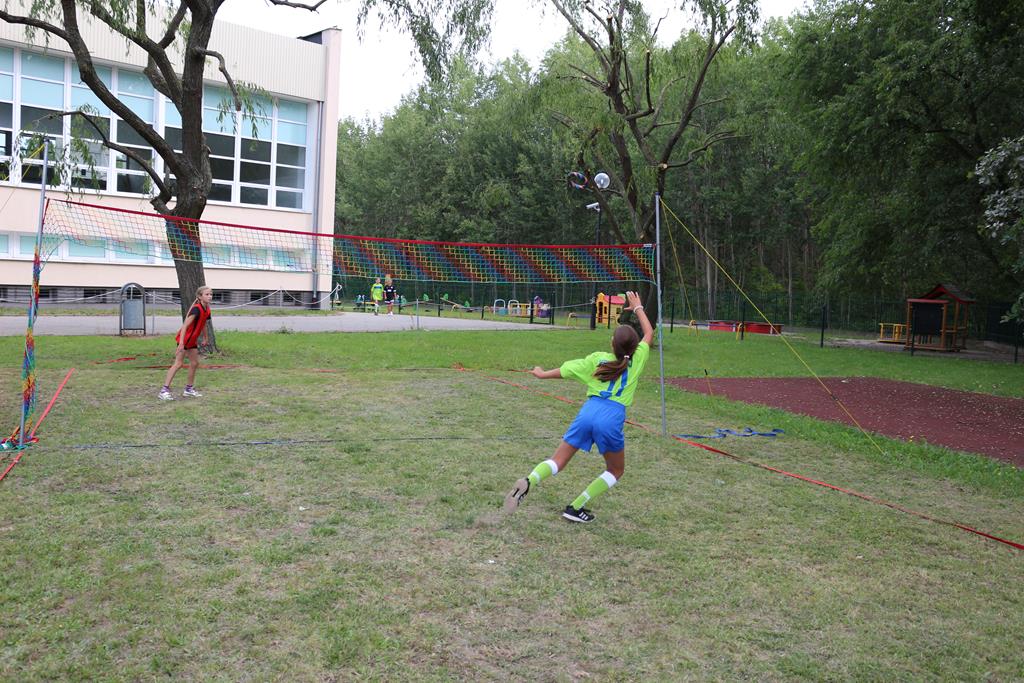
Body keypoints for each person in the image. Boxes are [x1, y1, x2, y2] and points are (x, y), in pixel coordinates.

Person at [504, 290, 654, 523]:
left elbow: (566, 371)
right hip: (611, 416)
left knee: (557, 461)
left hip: (588, 411)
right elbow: (649, 333)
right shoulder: (638, 358)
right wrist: (638, 307)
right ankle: (575, 507)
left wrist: (542, 374)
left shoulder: (597, 360)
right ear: (635, 347)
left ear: (612, 344)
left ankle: (529, 480)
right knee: (615, 470)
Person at [159, 286, 214, 401]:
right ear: (199, 296)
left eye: (211, 294)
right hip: (184, 340)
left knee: (194, 363)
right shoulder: (196, 309)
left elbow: (204, 323)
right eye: (207, 294)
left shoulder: (207, 309)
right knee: (178, 364)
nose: (210, 296)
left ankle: (188, 389)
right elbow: (184, 326)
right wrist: (181, 344)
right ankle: (164, 390)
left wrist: (206, 337)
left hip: (192, 341)